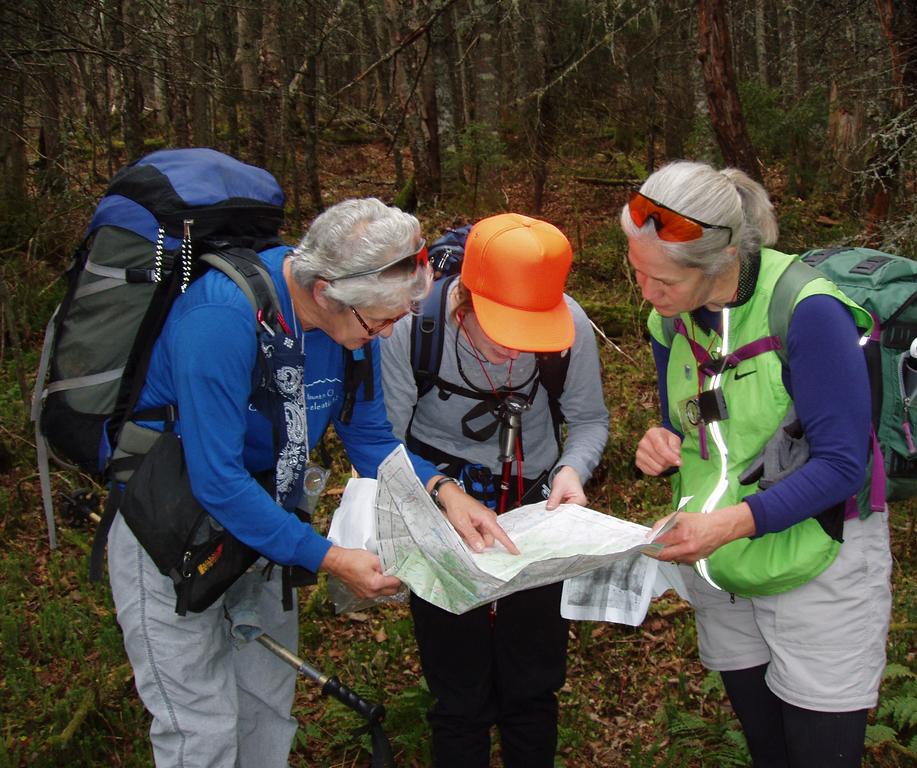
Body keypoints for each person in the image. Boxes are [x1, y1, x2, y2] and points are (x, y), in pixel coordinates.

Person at [106, 198, 517, 768]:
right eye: (380, 322)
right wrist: (327, 557)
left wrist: (447, 493)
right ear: (325, 291)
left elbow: (371, 439)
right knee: (200, 724)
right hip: (168, 530)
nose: (386, 334)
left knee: (268, 707)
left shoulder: (354, 328)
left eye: (398, 319)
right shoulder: (221, 319)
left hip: (268, 527)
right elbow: (218, 481)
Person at [625, 162, 892, 767]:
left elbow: (843, 464)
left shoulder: (807, 311)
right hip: (721, 566)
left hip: (818, 562)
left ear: (718, 263)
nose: (646, 293)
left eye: (661, 279)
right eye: (636, 271)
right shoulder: (667, 321)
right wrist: (662, 441)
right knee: (768, 750)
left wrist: (727, 524)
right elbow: (694, 418)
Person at [380, 213, 609, 767]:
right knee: (458, 690)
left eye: (533, 332)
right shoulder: (412, 327)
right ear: (466, 301)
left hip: (535, 507)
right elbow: (381, 440)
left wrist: (571, 470)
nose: (516, 353)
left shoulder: (569, 326)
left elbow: (588, 420)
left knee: (532, 682)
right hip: (440, 507)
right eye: (505, 331)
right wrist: (441, 489)